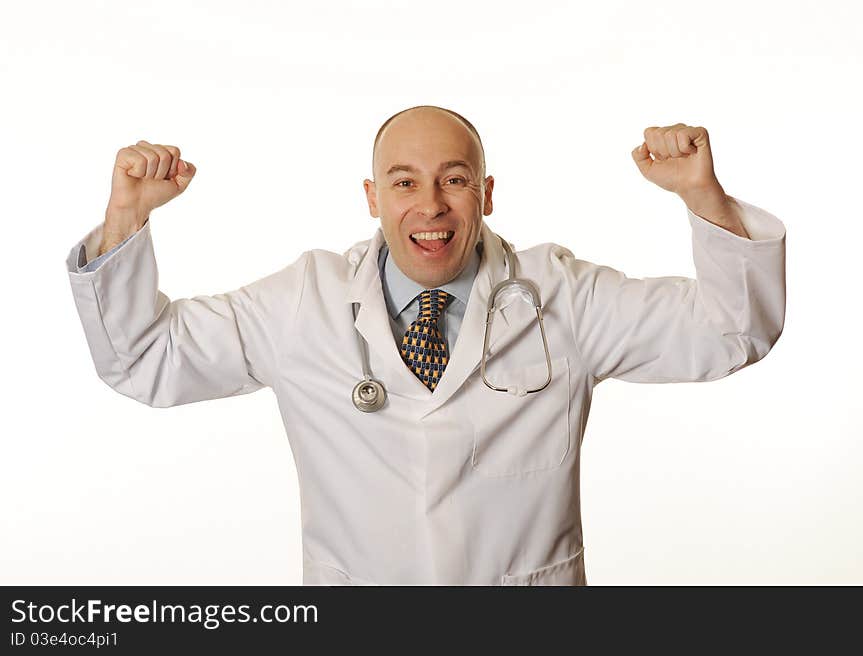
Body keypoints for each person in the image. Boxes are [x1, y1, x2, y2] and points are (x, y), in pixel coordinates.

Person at [65, 105, 786, 585]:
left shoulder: (564, 294)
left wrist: (703, 197)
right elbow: (143, 359)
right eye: (404, 182)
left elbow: (733, 330)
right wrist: (126, 213)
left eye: (455, 179)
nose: (432, 205)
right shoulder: (301, 304)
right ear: (373, 197)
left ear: (487, 193)